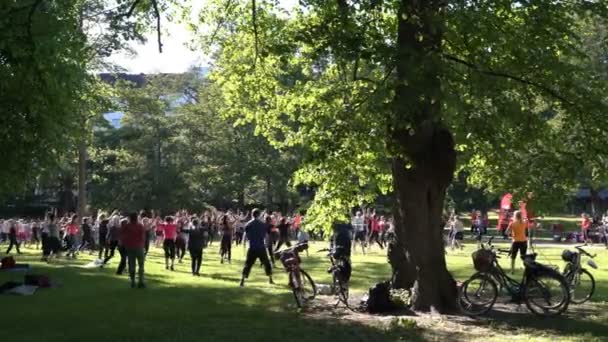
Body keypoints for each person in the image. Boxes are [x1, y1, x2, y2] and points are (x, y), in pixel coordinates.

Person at [240, 209, 274, 287]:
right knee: (266, 263)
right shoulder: (262, 224)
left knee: (248, 264)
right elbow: (266, 235)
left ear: (252, 214)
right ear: (258, 215)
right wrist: (266, 244)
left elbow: (245, 235)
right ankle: (270, 279)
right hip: (261, 247)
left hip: (252, 247)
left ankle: (242, 280)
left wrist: (244, 243)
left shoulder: (248, 224)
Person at [121, 213, 146, 288]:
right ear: (137, 218)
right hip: (139, 247)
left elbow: (123, 236)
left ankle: (132, 281)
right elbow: (143, 236)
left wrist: (125, 244)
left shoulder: (127, 226)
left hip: (130, 247)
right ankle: (140, 281)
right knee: (141, 265)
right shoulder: (140, 226)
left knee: (131, 264)